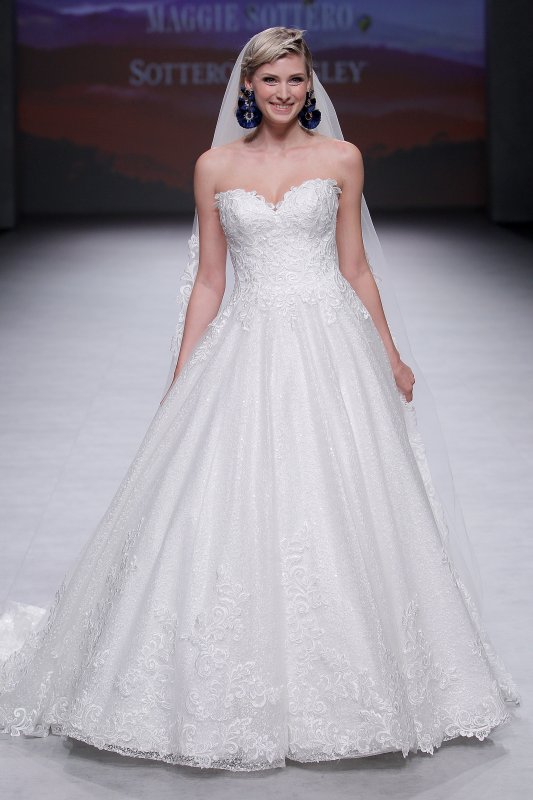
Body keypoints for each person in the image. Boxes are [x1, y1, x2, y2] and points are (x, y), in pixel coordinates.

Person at [0, 27, 520, 772]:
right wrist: (181, 376)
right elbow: (210, 280)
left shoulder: (341, 159)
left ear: (311, 86)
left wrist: (390, 353)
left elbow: (355, 267)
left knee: (343, 499)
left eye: (295, 80)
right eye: (270, 80)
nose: (283, 92)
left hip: (331, 349)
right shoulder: (213, 167)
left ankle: (375, 685)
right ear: (247, 86)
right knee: (229, 501)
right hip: (245, 345)